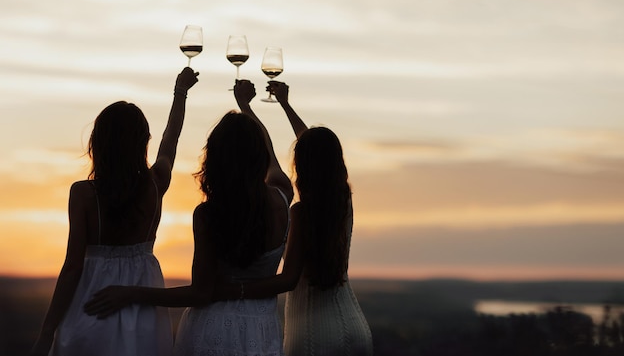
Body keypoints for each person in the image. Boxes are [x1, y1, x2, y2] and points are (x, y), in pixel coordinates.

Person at [84, 79, 294, 356]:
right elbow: (268, 150)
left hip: (210, 332)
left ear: (215, 158)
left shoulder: (209, 214)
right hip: (262, 332)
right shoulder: (282, 196)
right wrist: (246, 106)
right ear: (260, 156)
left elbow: (199, 294)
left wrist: (131, 293)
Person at [30, 67, 199, 356]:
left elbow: (72, 267)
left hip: (91, 304)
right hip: (143, 312)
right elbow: (171, 140)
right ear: (142, 142)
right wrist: (180, 92)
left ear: (99, 142)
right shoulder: (156, 184)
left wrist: (47, 331)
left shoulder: (84, 193)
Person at [212, 81, 373, 355]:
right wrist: (285, 104)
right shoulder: (344, 202)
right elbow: (315, 149)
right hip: (356, 329)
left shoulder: (300, 212)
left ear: (301, 166)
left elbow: (287, 280)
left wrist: (233, 290)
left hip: (312, 337)